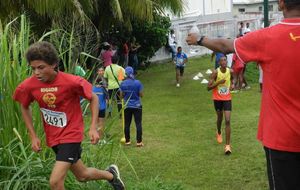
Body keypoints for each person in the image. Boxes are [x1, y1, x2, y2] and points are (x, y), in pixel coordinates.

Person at [186, 0, 300, 188]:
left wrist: (199, 39)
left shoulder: (268, 37)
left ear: (281, 3)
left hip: (282, 138)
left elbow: (225, 46)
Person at [13, 41, 125, 190]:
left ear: (53, 64)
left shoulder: (71, 82)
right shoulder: (30, 85)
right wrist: (33, 135)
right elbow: (24, 106)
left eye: (41, 68)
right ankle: (111, 175)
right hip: (53, 137)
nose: (36, 73)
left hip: (71, 135)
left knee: (55, 182)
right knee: (82, 175)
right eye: (33, 68)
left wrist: (93, 127)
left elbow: (94, 98)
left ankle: (111, 175)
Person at [207, 55, 234, 154]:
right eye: (221, 60)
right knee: (220, 118)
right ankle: (218, 131)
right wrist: (218, 82)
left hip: (227, 98)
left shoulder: (230, 71)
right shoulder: (215, 72)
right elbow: (208, 88)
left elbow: (233, 79)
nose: (224, 62)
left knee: (227, 120)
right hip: (217, 99)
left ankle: (227, 146)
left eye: (225, 60)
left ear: (226, 62)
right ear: (219, 63)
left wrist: (232, 84)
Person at [120, 66, 144, 147]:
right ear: (132, 72)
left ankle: (127, 141)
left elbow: (121, 96)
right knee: (138, 124)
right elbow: (141, 95)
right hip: (137, 105)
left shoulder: (123, 83)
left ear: (125, 74)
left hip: (127, 106)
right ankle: (139, 142)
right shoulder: (138, 82)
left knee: (127, 124)